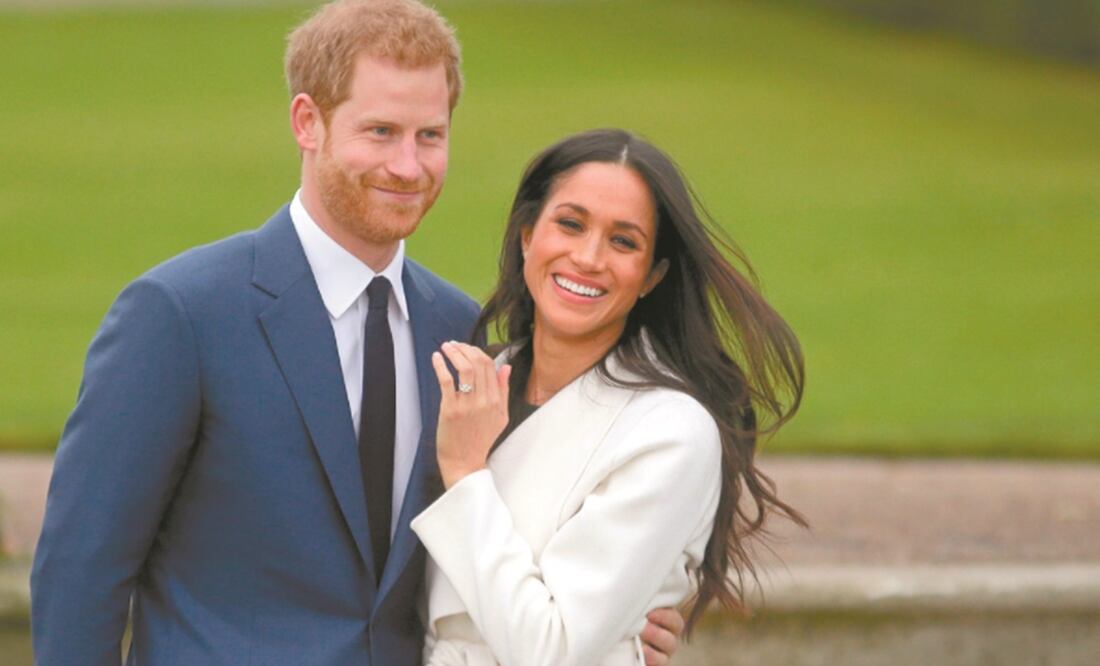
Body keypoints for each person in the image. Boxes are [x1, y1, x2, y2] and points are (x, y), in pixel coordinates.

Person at [30, 2, 683, 665]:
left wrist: (616, 621)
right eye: (381, 132)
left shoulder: (459, 330)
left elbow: (496, 533)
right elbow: (80, 571)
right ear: (307, 122)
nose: (408, 166)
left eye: (430, 135)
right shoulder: (181, 315)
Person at [409, 128, 807, 665]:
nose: (589, 257)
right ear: (527, 236)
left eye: (624, 242)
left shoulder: (669, 432)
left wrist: (465, 475)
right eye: (570, 224)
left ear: (651, 276)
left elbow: (553, 651)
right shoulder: (476, 382)